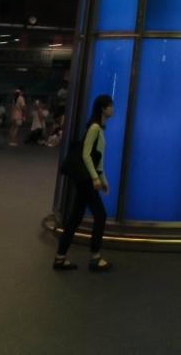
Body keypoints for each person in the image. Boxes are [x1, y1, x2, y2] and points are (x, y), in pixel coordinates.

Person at [53, 94, 115, 273]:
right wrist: (95, 178)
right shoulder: (95, 128)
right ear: (103, 108)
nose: (112, 109)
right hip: (86, 179)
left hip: (85, 178)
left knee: (75, 218)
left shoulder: (99, 128)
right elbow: (86, 154)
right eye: (110, 106)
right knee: (100, 215)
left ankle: (60, 257)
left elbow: (97, 159)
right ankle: (95, 257)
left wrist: (103, 180)